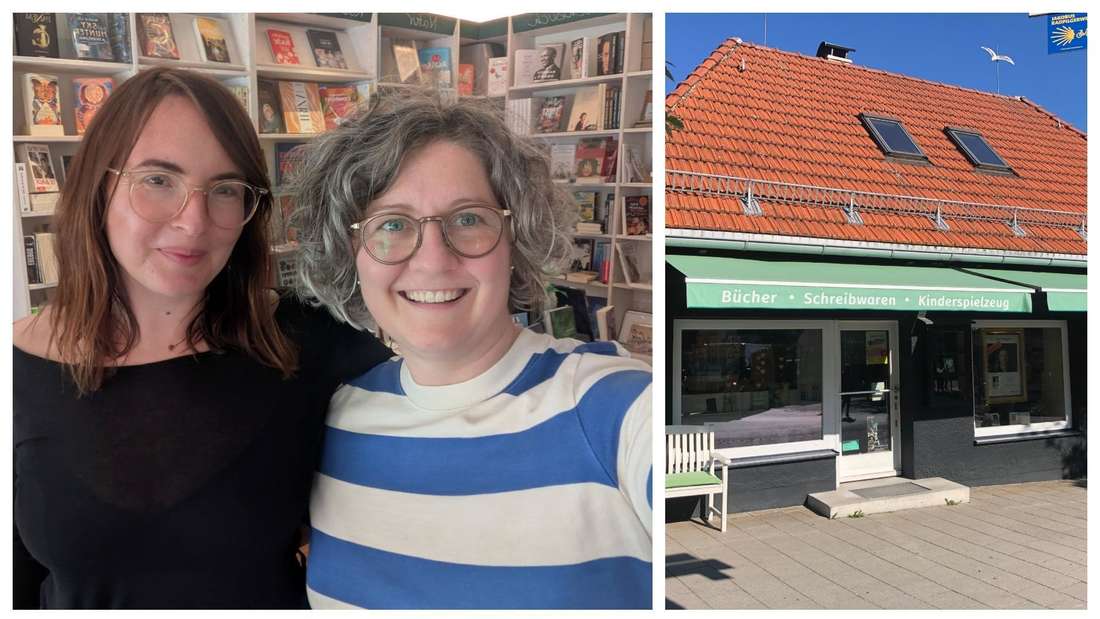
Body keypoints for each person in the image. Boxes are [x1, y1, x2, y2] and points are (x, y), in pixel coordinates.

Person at [12, 67, 390, 609]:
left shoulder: (309, 342)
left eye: (225, 189)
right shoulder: (17, 368)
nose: (194, 222)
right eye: (158, 180)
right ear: (98, 186)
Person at [292, 90, 652, 609]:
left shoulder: (611, 408)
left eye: (467, 219)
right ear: (352, 253)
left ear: (515, 238)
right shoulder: (334, 420)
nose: (432, 260)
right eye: (392, 224)